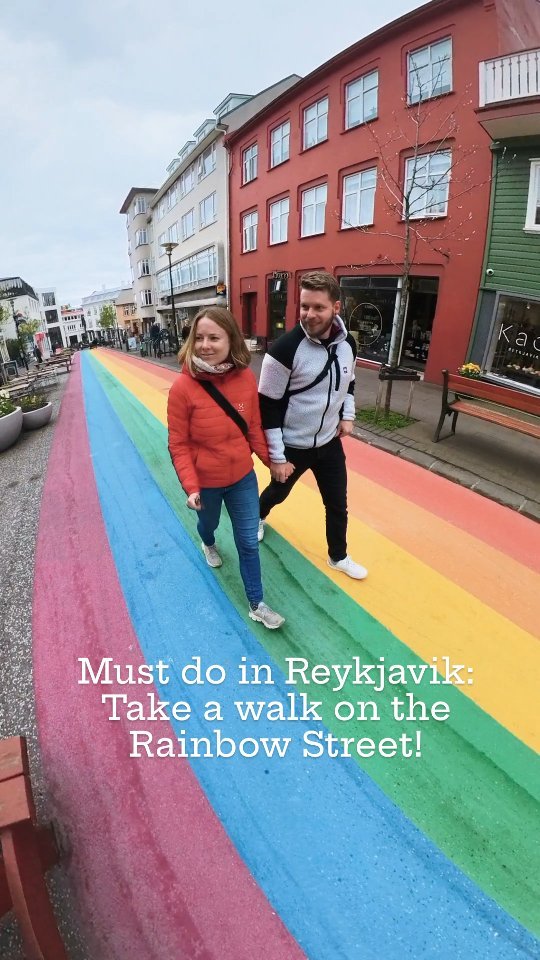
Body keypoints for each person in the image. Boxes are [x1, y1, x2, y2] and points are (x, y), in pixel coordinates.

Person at [167, 306, 285, 629]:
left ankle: (256, 603)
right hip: (205, 482)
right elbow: (178, 444)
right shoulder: (182, 389)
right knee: (209, 524)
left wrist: (272, 462)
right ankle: (206, 541)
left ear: (230, 339)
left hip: (242, 478)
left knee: (247, 541)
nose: (205, 344)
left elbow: (253, 428)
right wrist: (191, 487)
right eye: (199, 337)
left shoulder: (246, 377)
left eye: (214, 337)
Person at [258, 270, 368, 580]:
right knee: (278, 493)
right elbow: (268, 405)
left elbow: (350, 381)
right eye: (304, 306)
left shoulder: (349, 345)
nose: (309, 314)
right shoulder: (283, 350)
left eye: (318, 307)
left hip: (329, 443)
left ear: (336, 308)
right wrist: (277, 457)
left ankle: (339, 556)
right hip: (294, 445)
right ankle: (257, 516)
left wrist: (348, 415)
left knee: (337, 503)